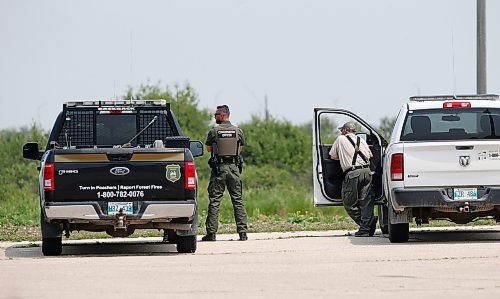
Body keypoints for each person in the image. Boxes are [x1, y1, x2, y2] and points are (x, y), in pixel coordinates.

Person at [202, 105, 248, 241]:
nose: (214, 117)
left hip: (219, 169)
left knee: (215, 201)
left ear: (222, 115)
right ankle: (243, 233)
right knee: (238, 200)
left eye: (216, 114)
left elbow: (209, 149)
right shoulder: (238, 131)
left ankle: (211, 233)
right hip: (234, 168)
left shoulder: (214, 131)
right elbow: (241, 148)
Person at [329, 122, 377, 237]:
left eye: (342, 130)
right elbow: (370, 156)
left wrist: (345, 156)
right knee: (366, 202)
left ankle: (366, 226)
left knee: (349, 202)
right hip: (367, 172)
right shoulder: (361, 140)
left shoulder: (340, 139)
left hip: (353, 173)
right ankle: (367, 227)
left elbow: (332, 156)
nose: (341, 132)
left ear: (345, 130)